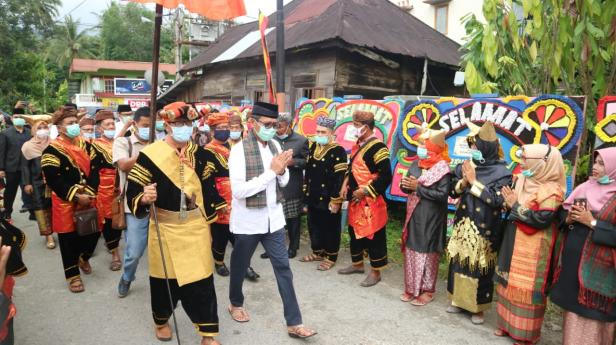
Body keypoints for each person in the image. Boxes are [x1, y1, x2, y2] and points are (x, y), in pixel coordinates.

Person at [125, 102, 220, 345]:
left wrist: (210, 228)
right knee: (164, 281)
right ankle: (161, 320)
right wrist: (144, 197)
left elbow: (209, 192)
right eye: (178, 124)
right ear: (166, 125)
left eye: (188, 124)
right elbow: (134, 190)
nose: (183, 128)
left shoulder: (202, 155)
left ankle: (208, 334)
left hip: (195, 227)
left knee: (201, 281)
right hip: (164, 228)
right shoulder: (151, 155)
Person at [227, 102, 317, 339]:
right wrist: (271, 172)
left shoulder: (276, 144)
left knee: (283, 268)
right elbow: (239, 191)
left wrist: (282, 169)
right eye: (266, 125)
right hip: (248, 222)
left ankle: (294, 322)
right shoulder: (238, 151)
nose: (271, 129)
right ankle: (235, 303)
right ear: (252, 123)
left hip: (274, 221)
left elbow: (283, 182)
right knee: (239, 265)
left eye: (274, 125)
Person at [494, 144, 565, 344]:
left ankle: (525, 334)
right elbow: (508, 204)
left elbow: (542, 218)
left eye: (526, 159)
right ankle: (505, 325)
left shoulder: (552, 190)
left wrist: (515, 205)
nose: (522, 163)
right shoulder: (522, 180)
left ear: (542, 164)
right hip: (514, 238)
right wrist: (506, 203)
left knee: (526, 287)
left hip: (535, 247)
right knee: (508, 281)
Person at [446, 121, 512, 324]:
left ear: (486, 148)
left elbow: (497, 201)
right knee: (459, 261)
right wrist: (463, 182)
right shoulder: (466, 166)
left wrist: (474, 183)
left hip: (485, 228)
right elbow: (451, 191)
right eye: (471, 146)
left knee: (480, 267)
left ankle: (478, 308)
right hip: (463, 224)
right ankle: (458, 301)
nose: (472, 150)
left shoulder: (503, 173)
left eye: (475, 146)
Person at [550, 147, 616, 345]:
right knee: (573, 314)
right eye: (595, 162)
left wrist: (593, 223)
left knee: (594, 316)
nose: (595, 167)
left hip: (600, 274)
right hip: (574, 267)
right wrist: (569, 218)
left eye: (602, 164)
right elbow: (562, 218)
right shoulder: (585, 187)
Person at [41, 107, 100, 293]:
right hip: (65, 200)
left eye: (76, 122)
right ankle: (73, 275)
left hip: (89, 196)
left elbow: (96, 169)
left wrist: (89, 192)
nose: (75, 126)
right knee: (68, 240)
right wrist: (76, 195)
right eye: (70, 123)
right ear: (59, 127)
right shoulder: (51, 150)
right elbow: (53, 178)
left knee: (93, 233)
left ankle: (83, 257)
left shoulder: (86, 145)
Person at [203, 112, 260, 281]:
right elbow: (206, 181)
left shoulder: (233, 147)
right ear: (212, 131)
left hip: (238, 197)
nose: (225, 131)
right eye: (220, 128)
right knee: (220, 236)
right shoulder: (207, 151)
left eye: (226, 127)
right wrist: (217, 202)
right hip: (220, 200)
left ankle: (244, 265)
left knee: (241, 236)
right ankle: (219, 262)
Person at [338, 111, 392, 287]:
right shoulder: (358, 144)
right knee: (355, 233)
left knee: (374, 236)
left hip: (371, 200)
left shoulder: (379, 148)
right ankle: (357, 264)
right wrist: (345, 183)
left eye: (355, 125)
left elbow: (386, 177)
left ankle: (376, 272)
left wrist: (366, 191)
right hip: (356, 199)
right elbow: (351, 167)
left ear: (366, 127)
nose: (353, 128)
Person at [399, 129, 451, 306]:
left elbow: (443, 195)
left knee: (427, 251)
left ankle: (428, 290)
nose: (419, 147)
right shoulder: (417, 164)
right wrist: (406, 185)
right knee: (411, 248)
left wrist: (418, 188)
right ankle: (411, 288)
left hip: (431, 217)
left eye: (423, 145)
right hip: (413, 214)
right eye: (420, 144)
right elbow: (408, 185)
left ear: (433, 148)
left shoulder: (442, 168)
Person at [115, 107, 152, 297]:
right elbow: (122, 165)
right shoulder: (124, 142)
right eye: (145, 125)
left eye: (152, 125)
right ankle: (127, 277)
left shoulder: (161, 142)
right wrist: (147, 153)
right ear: (135, 124)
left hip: (159, 203)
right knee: (135, 251)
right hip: (134, 205)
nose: (149, 128)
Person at [303, 117, 347, 270]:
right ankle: (318, 252)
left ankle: (331, 256)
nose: (319, 134)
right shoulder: (314, 145)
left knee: (330, 228)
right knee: (313, 225)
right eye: (317, 131)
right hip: (313, 195)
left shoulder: (338, 151)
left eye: (323, 132)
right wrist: (305, 194)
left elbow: (340, 178)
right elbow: (308, 172)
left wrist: (336, 200)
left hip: (329, 197)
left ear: (331, 133)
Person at [271, 112, 309, 260]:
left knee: (293, 219)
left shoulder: (301, 140)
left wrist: (294, 162)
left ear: (288, 125)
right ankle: (272, 248)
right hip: (274, 185)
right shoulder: (271, 139)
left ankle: (293, 247)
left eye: (279, 127)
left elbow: (307, 161)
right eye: (274, 126)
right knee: (274, 219)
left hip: (292, 186)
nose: (276, 129)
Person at [91, 110, 123, 271]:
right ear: (100, 128)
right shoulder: (95, 145)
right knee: (110, 220)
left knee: (123, 217)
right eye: (107, 124)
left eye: (113, 124)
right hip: (104, 188)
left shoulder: (119, 142)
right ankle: (115, 253)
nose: (111, 126)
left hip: (123, 184)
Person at [20, 115, 56, 249]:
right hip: (36, 182)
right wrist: (27, 183)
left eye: (45, 127)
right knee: (40, 209)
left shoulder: (54, 143)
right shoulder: (27, 146)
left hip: (54, 180)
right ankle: (49, 236)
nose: (42, 130)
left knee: (56, 206)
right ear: (34, 130)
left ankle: (61, 229)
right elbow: (25, 166)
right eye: (39, 128)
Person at [0, 107, 32, 221]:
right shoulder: (5, 133)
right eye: (16, 117)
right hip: (12, 168)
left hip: (27, 168)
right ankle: (7, 212)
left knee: (29, 190)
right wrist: (1, 169)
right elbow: (2, 152)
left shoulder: (30, 133)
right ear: (12, 118)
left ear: (24, 119)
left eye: (20, 117)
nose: (18, 119)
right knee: (10, 192)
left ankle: (33, 211)